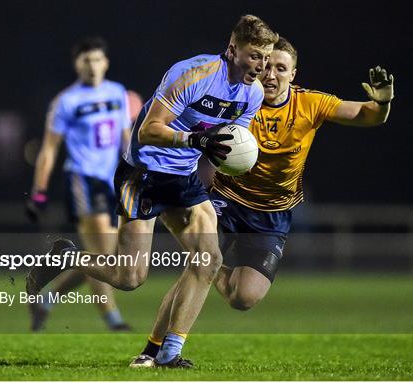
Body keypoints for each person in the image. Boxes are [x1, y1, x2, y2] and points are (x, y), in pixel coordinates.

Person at [26, 15, 278, 367]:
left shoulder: (252, 94)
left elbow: (230, 146)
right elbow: (148, 130)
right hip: (143, 174)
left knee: (208, 260)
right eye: (254, 56)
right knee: (129, 278)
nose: (261, 66)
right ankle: (66, 256)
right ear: (232, 49)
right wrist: (194, 139)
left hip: (183, 178)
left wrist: (220, 172)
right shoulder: (194, 75)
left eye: (266, 58)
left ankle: (167, 354)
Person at [133, 36, 394, 365]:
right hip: (226, 201)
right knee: (200, 265)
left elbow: (365, 115)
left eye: (280, 68)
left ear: (293, 74)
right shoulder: (241, 98)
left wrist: (382, 103)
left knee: (243, 297)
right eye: (267, 66)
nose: (271, 74)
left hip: (273, 214)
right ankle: (153, 351)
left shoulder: (310, 104)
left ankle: (210, 267)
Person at [25, 36, 132, 331]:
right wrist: (39, 192)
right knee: (102, 255)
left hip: (114, 181)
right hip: (83, 180)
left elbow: (126, 138)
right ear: (77, 65)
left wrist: (136, 173)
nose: (93, 66)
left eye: (97, 60)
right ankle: (114, 320)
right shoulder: (66, 101)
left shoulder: (118, 92)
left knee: (105, 257)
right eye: (87, 61)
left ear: (106, 62)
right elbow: (49, 149)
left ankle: (46, 299)